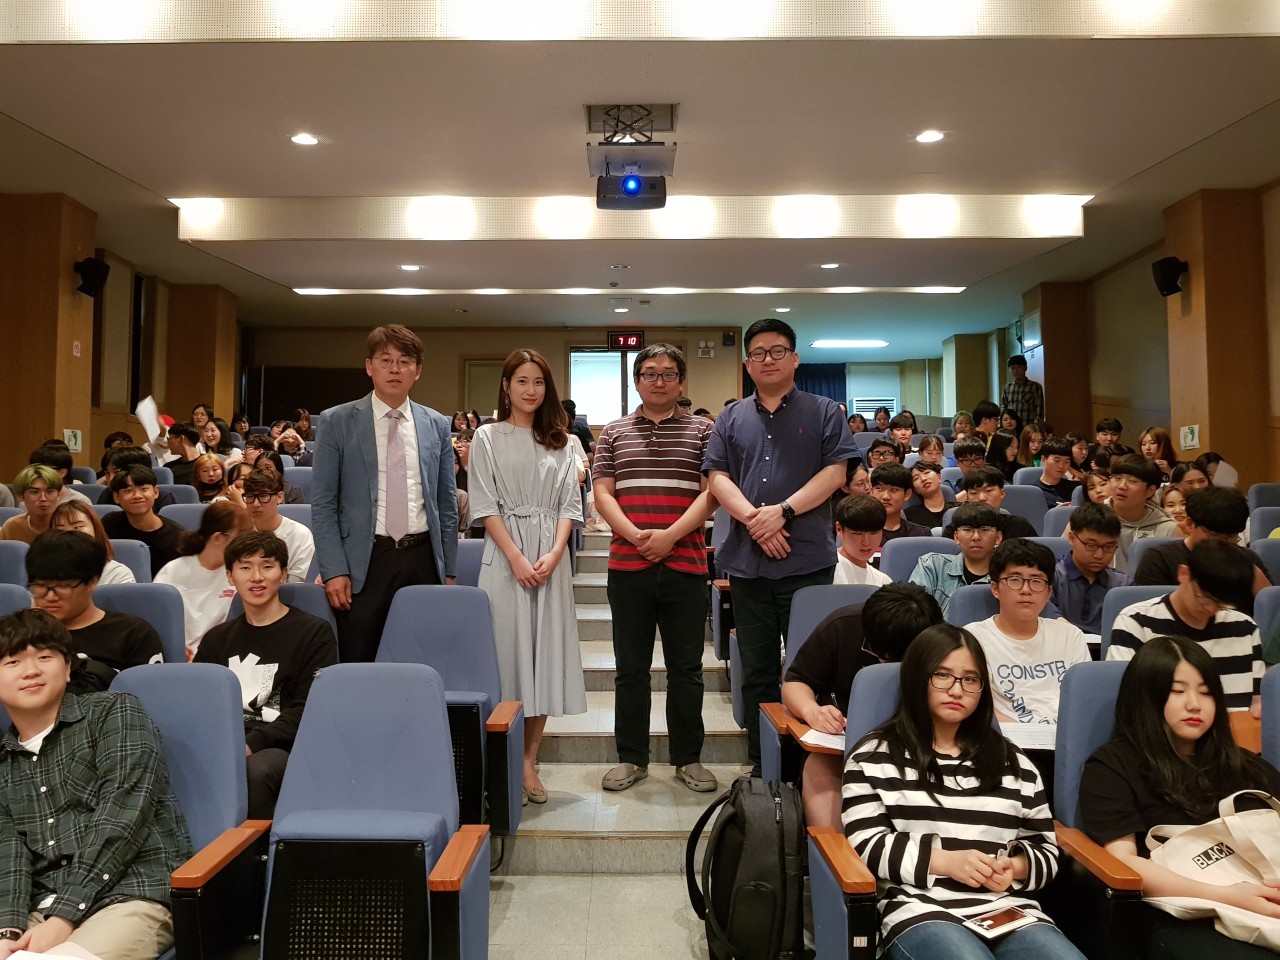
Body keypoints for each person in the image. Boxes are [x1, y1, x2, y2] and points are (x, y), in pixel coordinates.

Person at [842, 623, 1081, 960]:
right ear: (917, 678)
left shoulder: (1014, 762)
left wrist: (1015, 867)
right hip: (919, 909)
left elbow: (1045, 848)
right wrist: (946, 862)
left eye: (970, 679)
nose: (956, 690)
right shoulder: (873, 757)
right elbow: (866, 843)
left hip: (1007, 910)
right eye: (942, 676)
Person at [704, 318, 858, 768]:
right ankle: (763, 766)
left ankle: (808, 767)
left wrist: (782, 512)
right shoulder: (730, 417)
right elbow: (717, 477)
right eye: (758, 353)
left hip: (806, 560)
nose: (767, 360)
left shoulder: (825, 411)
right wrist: (756, 521)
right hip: (747, 562)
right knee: (756, 669)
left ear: (794, 359)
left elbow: (836, 473)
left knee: (810, 670)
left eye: (777, 351)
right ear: (747, 364)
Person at [0, 608, 192, 959]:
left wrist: (64, 915)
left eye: (44, 657)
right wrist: (7, 931)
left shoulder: (113, 712)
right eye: (13, 662)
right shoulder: (3, 761)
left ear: (68, 668)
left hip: (129, 895)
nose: (30, 670)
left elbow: (122, 815)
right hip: (41, 908)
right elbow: (8, 853)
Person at [1081, 636, 1280, 960]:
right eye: (1177, 691)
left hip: (1266, 901)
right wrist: (1227, 896)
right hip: (1181, 913)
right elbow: (1123, 862)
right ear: (1145, 696)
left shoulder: (1246, 766)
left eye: (1205, 692)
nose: (1194, 704)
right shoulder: (1113, 764)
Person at [591, 344, 718, 794]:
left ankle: (688, 758)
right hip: (628, 565)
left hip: (686, 563)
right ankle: (631, 757)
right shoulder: (613, 432)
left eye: (668, 374)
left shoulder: (704, 430)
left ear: (681, 382)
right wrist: (636, 536)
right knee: (630, 668)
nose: (658, 381)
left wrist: (669, 536)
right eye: (649, 373)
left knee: (687, 669)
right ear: (636, 381)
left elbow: (711, 493)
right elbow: (603, 494)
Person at [470, 348, 586, 804]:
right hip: (505, 558)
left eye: (538, 382)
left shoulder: (563, 441)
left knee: (544, 658)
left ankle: (528, 760)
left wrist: (555, 553)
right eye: (522, 381)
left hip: (550, 559)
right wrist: (517, 557)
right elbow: (484, 505)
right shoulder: (487, 435)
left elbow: (569, 506)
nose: (530, 390)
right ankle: (501, 757)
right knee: (507, 657)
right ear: (506, 386)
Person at [311, 324, 458, 663]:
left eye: (404, 361)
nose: (395, 369)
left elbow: (446, 503)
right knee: (359, 658)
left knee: (423, 659)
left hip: (422, 558)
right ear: (369, 366)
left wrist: (448, 570)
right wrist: (333, 569)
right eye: (386, 360)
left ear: (417, 371)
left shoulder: (436, 424)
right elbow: (324, 504)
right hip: (363, 562)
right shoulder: (337, 421)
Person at [196, 531, 337, 819]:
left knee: (254, 770)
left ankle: (257, 847)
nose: (256, 577)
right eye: (245, 567)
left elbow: (308, 708)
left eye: (267, 566)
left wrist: (251, 744)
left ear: (283, 574)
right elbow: (200, 705)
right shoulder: (216, 639)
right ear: (230, 576)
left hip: (283, 747)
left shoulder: (313, 633)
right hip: (226, 743)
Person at [782, 584, 942, 827]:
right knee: (822, 779)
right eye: (882, 657)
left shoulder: (941, 644)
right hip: (840, 751)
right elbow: (796, 682)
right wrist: (812, 711)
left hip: (921, 751)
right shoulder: (842, 626)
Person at [1108, 540, 1263, 715]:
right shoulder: (1136, 622)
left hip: (1233, 729)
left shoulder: (1245, 627)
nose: (1211, 609)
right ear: (1184, 574)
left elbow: (1258, 704)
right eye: (1205, 598)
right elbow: (1128, 701)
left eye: (1221, 604)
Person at [968, 539, 1090, 726]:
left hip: (1064, 735)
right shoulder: (973, 638)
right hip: (1003, 736)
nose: (1026, 590)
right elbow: (974, 705)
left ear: (1048, 592)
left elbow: (1082, 701)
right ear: (995, 588)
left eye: (1036, 581)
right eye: (1015, 580)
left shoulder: (1070, 636)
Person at [25, 531, 163, 676]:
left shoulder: (133, 634)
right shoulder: (20, 633)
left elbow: (150, 688)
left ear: (92, 582)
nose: (50, 597)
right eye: (40, 586)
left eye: (63, 586)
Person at [1132, 487, 1271, 601]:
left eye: (1232, 536)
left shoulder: (1248, 559)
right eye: (1214, 535)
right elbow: (1149, 613)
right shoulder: (1159, 560)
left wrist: (1253, 574)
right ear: (1190, 525)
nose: (1224, 544)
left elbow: (1271, 612)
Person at [154, 501, 250, 654]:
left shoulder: (243, 572)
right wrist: (174, 647)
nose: (245, 544)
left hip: (222, 654)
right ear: (217, 537)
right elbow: (157, 620)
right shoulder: (172, 571)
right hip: (179, 654)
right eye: (240, 537)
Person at [1052, 503, 1132, 636]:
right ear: (1071, 538)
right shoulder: (1049, 576)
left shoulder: (1123, 584)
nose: (1099, 555)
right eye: (1091, 545)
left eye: (1109, 547)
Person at [909, 503, 1003, 615]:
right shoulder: (932, 565)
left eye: (984, 530)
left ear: (998, 537)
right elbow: (913, 613)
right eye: (967, 530)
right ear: (956, 537)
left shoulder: (1007, 577)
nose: (976, 537)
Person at [100, 465, 184, 578]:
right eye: (128, 491)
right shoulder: (110, 523)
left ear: (155, 492)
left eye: (144, 489)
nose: (137, 496)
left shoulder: (177, 536)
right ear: (116, 497)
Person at [1106, 454, 1180, 573]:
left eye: (1133, 481)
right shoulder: (1091, 518)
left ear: (1150, 491)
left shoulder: (1169, 529)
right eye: (1117, 478)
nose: (1122, 486)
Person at [50, 500, 136, 585]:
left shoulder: (118, 575)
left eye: (77, 527)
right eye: (60, 530)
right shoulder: (46, 574)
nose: (69, 535)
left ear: (95, 529)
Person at [945, 467, 1039, 540]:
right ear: (967, 497)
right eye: (974, 493)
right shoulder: (956, 529)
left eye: (989, 491)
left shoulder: (1019, 527)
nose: (982, 498)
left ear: (1002, 493)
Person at [832, 495, 893, 586]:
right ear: (839, 529)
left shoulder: (883, 581)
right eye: (857, 533)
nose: (866, 542)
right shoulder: (826, 572)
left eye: (873, 533)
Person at [1, 466, 63, 544]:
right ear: (20, 496)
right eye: (34, 492)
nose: (43, 498)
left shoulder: (69, 525)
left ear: (58, 495)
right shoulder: (12, 526)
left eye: (50, 491)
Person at [1033, 437, 1082, 508]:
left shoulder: (1076, 489)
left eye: (1066, 462)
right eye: (1057, 460)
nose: (1061, 466)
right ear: (1043, 459)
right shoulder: (1032, 490)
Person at [999, 354, 1044, 426]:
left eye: (1019, 367)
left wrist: (1036, 427)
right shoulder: (1007, 387)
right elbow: (1004, 408)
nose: (1016, 371)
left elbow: (1039, 410)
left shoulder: (1035, 387)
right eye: (1013, 368)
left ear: (1025, 368)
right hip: (1011, 427)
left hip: (1027, 426)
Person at [904, 461, 951, 528]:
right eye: (916, 478)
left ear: (939, 477)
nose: (923, 479)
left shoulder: (959, 509)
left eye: (927, 473)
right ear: (915, 490)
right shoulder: (909, 516)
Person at [163, 422, 202, 487]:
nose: (168, 443)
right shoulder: (169, 468)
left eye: (169, 438)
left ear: (181, 439)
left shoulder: (207, 462)